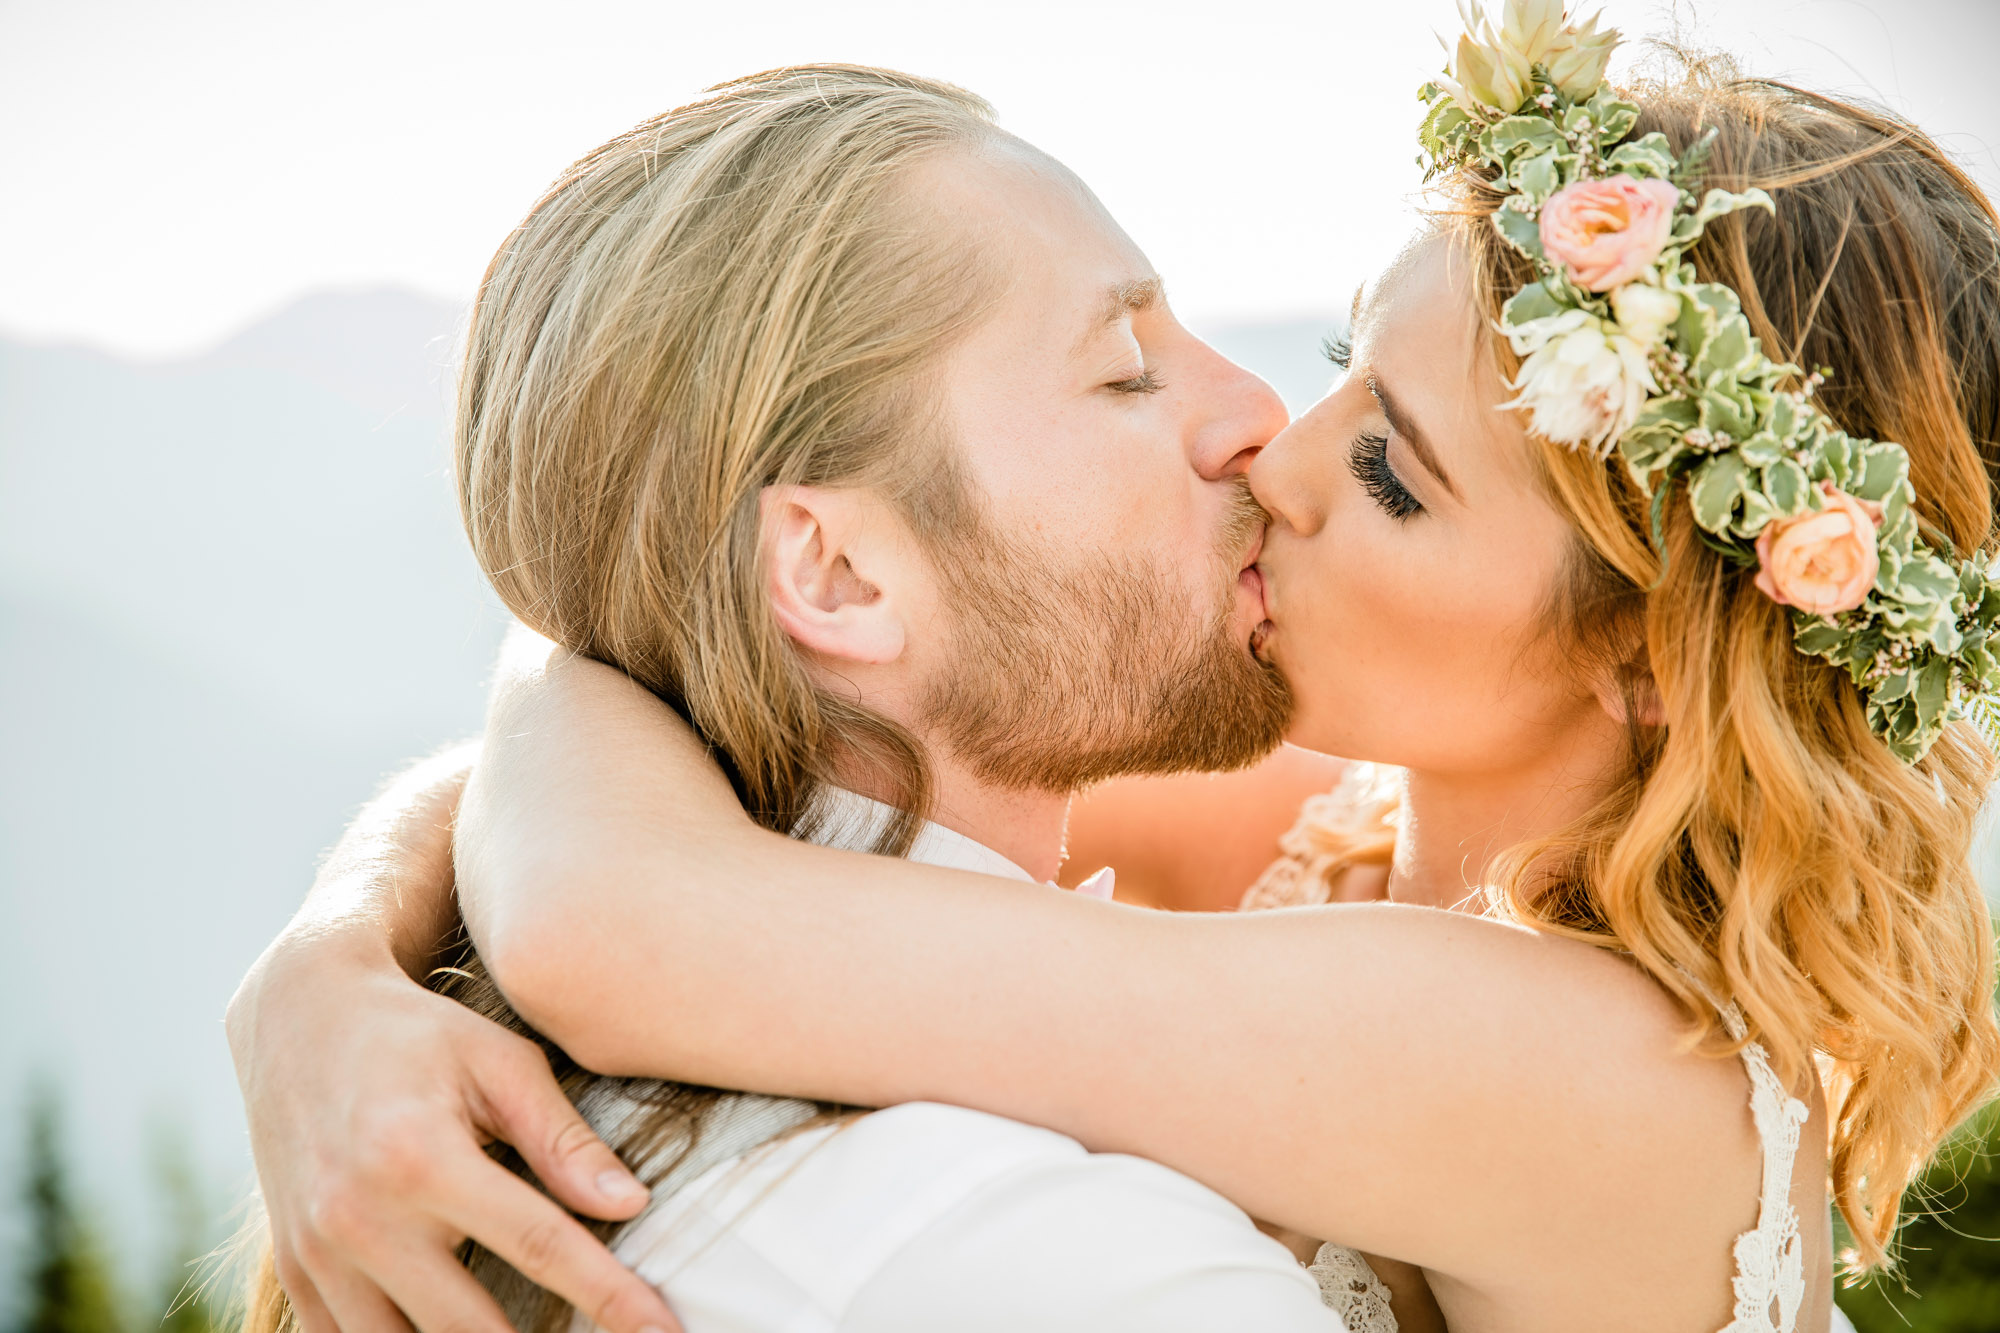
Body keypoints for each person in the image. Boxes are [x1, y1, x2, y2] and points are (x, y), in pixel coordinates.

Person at [229, 6, 2000, 1332]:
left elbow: (635, 919)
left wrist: (316, 980)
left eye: (1392, 473)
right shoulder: (1332, 831)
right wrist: (344, 926)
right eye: (1337, 366)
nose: (1272, 454)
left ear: (1651, 666)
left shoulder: (1597, 1068)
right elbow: (721, 667)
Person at [235, 60, 1370, 1333]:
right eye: (1122, 373)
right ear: (832, 573)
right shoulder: (1055, 1260)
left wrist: (336, 935)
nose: (1255, 413)